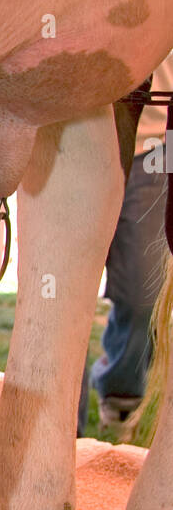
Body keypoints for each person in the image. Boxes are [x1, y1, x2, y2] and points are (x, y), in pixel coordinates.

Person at [77, 61, 170, 435]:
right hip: (80, 140)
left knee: (142, 293)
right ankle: (66, 424)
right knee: (66, 295)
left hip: (157, 150)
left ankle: (121, 399)